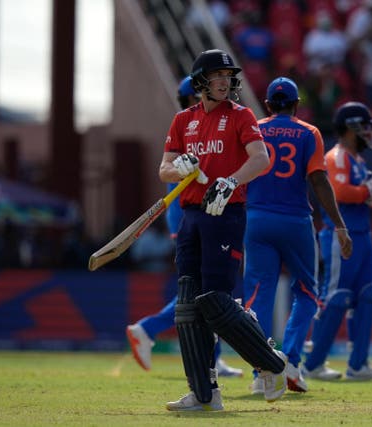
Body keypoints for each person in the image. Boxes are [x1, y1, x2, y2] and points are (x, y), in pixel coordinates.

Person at [158, 49, 288, 412]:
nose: (224, 82)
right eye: (216, 76)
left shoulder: (241, 115)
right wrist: (179, 166)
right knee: (186, 307)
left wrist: (230, 182)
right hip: (192, 217)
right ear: (200, 81)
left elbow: (261, 159)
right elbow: (164, 169)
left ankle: (273, 364)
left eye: (228, 76)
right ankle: (204, 394)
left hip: (226, 214)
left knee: (214, 302)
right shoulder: (183, 120)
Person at [126, 77, 244, 378]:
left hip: (193, 210)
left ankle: (210, 357)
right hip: (187, 211)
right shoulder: (189, 123)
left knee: (207, 287)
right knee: (204, 287)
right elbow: (169, 169)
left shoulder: (204, 121)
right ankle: (149, 328)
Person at [243, 77, 352, 394]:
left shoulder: (254, 129)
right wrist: (339, 225)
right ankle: (290, 360)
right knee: (307, 292)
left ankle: (261, 372)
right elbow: (318, 181)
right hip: (295, 221)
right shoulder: (309, 133)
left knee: (256, 297)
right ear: (296, 105)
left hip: (257, 218)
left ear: (267, 104)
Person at [302, 101, 372, 381]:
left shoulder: (357, 159)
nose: (370, 133)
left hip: (363, 234)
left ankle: (359, 363)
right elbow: (340, 192)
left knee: (367, 295)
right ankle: (313, 364)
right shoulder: (337, 156)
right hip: (339, 234)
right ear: (350, 128)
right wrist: (367, 190)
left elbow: (359, 194)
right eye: (365, 127)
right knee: (337, 297)